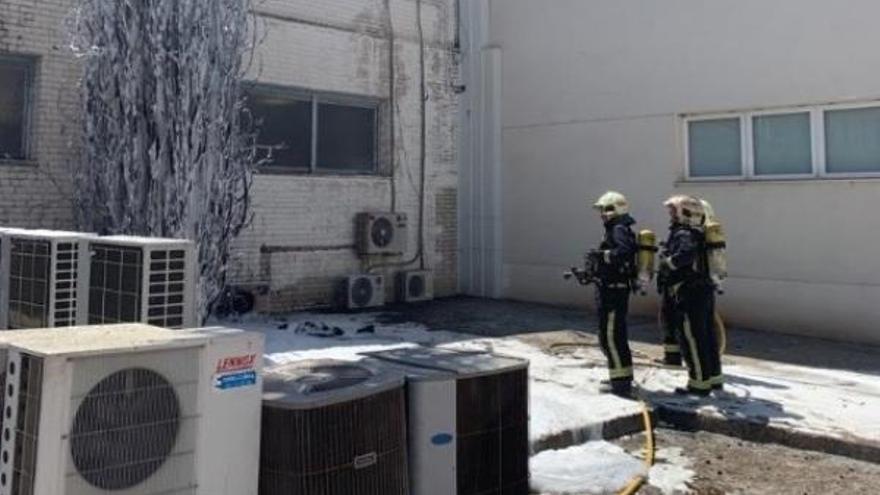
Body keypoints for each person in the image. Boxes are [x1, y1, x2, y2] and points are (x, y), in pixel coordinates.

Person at [659, 195, 722, 396]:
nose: (670, 215)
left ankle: (698, 385)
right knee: (707, 336)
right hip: (703, 290)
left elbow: (685, 256)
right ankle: (714, 379)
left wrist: (668, 262)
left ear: (684, 213)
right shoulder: (698, 233)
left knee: (692, 338)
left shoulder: (684, 234)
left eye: (673, 211)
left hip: (689, 293)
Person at [591, 191, 638, 397]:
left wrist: (602, 256)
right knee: (612, 335)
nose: (601, 214)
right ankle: (619, 376)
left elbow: (624, 252)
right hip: (611, 288)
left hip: (613, 291)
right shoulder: (618, 227)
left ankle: (620, 384)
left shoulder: (618, 228)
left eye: (603, 210)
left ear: (612, 210)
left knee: (611, 335)